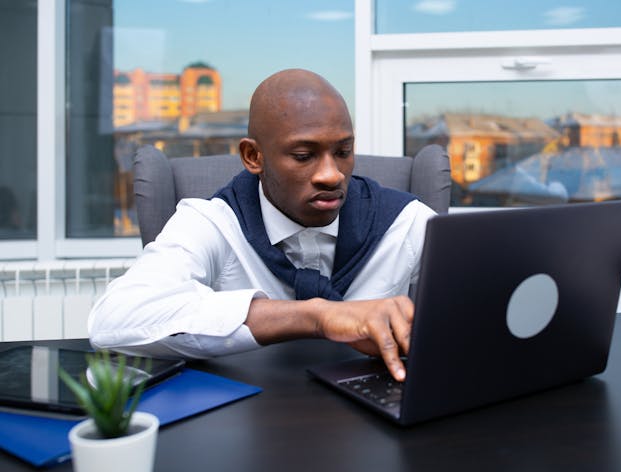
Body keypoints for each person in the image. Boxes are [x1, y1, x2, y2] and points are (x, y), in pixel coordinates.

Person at [89, 69, 436, 381]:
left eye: (343, 152)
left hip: (375, 428)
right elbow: (113, 320)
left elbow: (480, 319)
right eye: (303, 156)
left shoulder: (407, 223)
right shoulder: (213, 222)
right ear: (253, 157)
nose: (331, 175)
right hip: (242, 426)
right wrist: (316, 316)